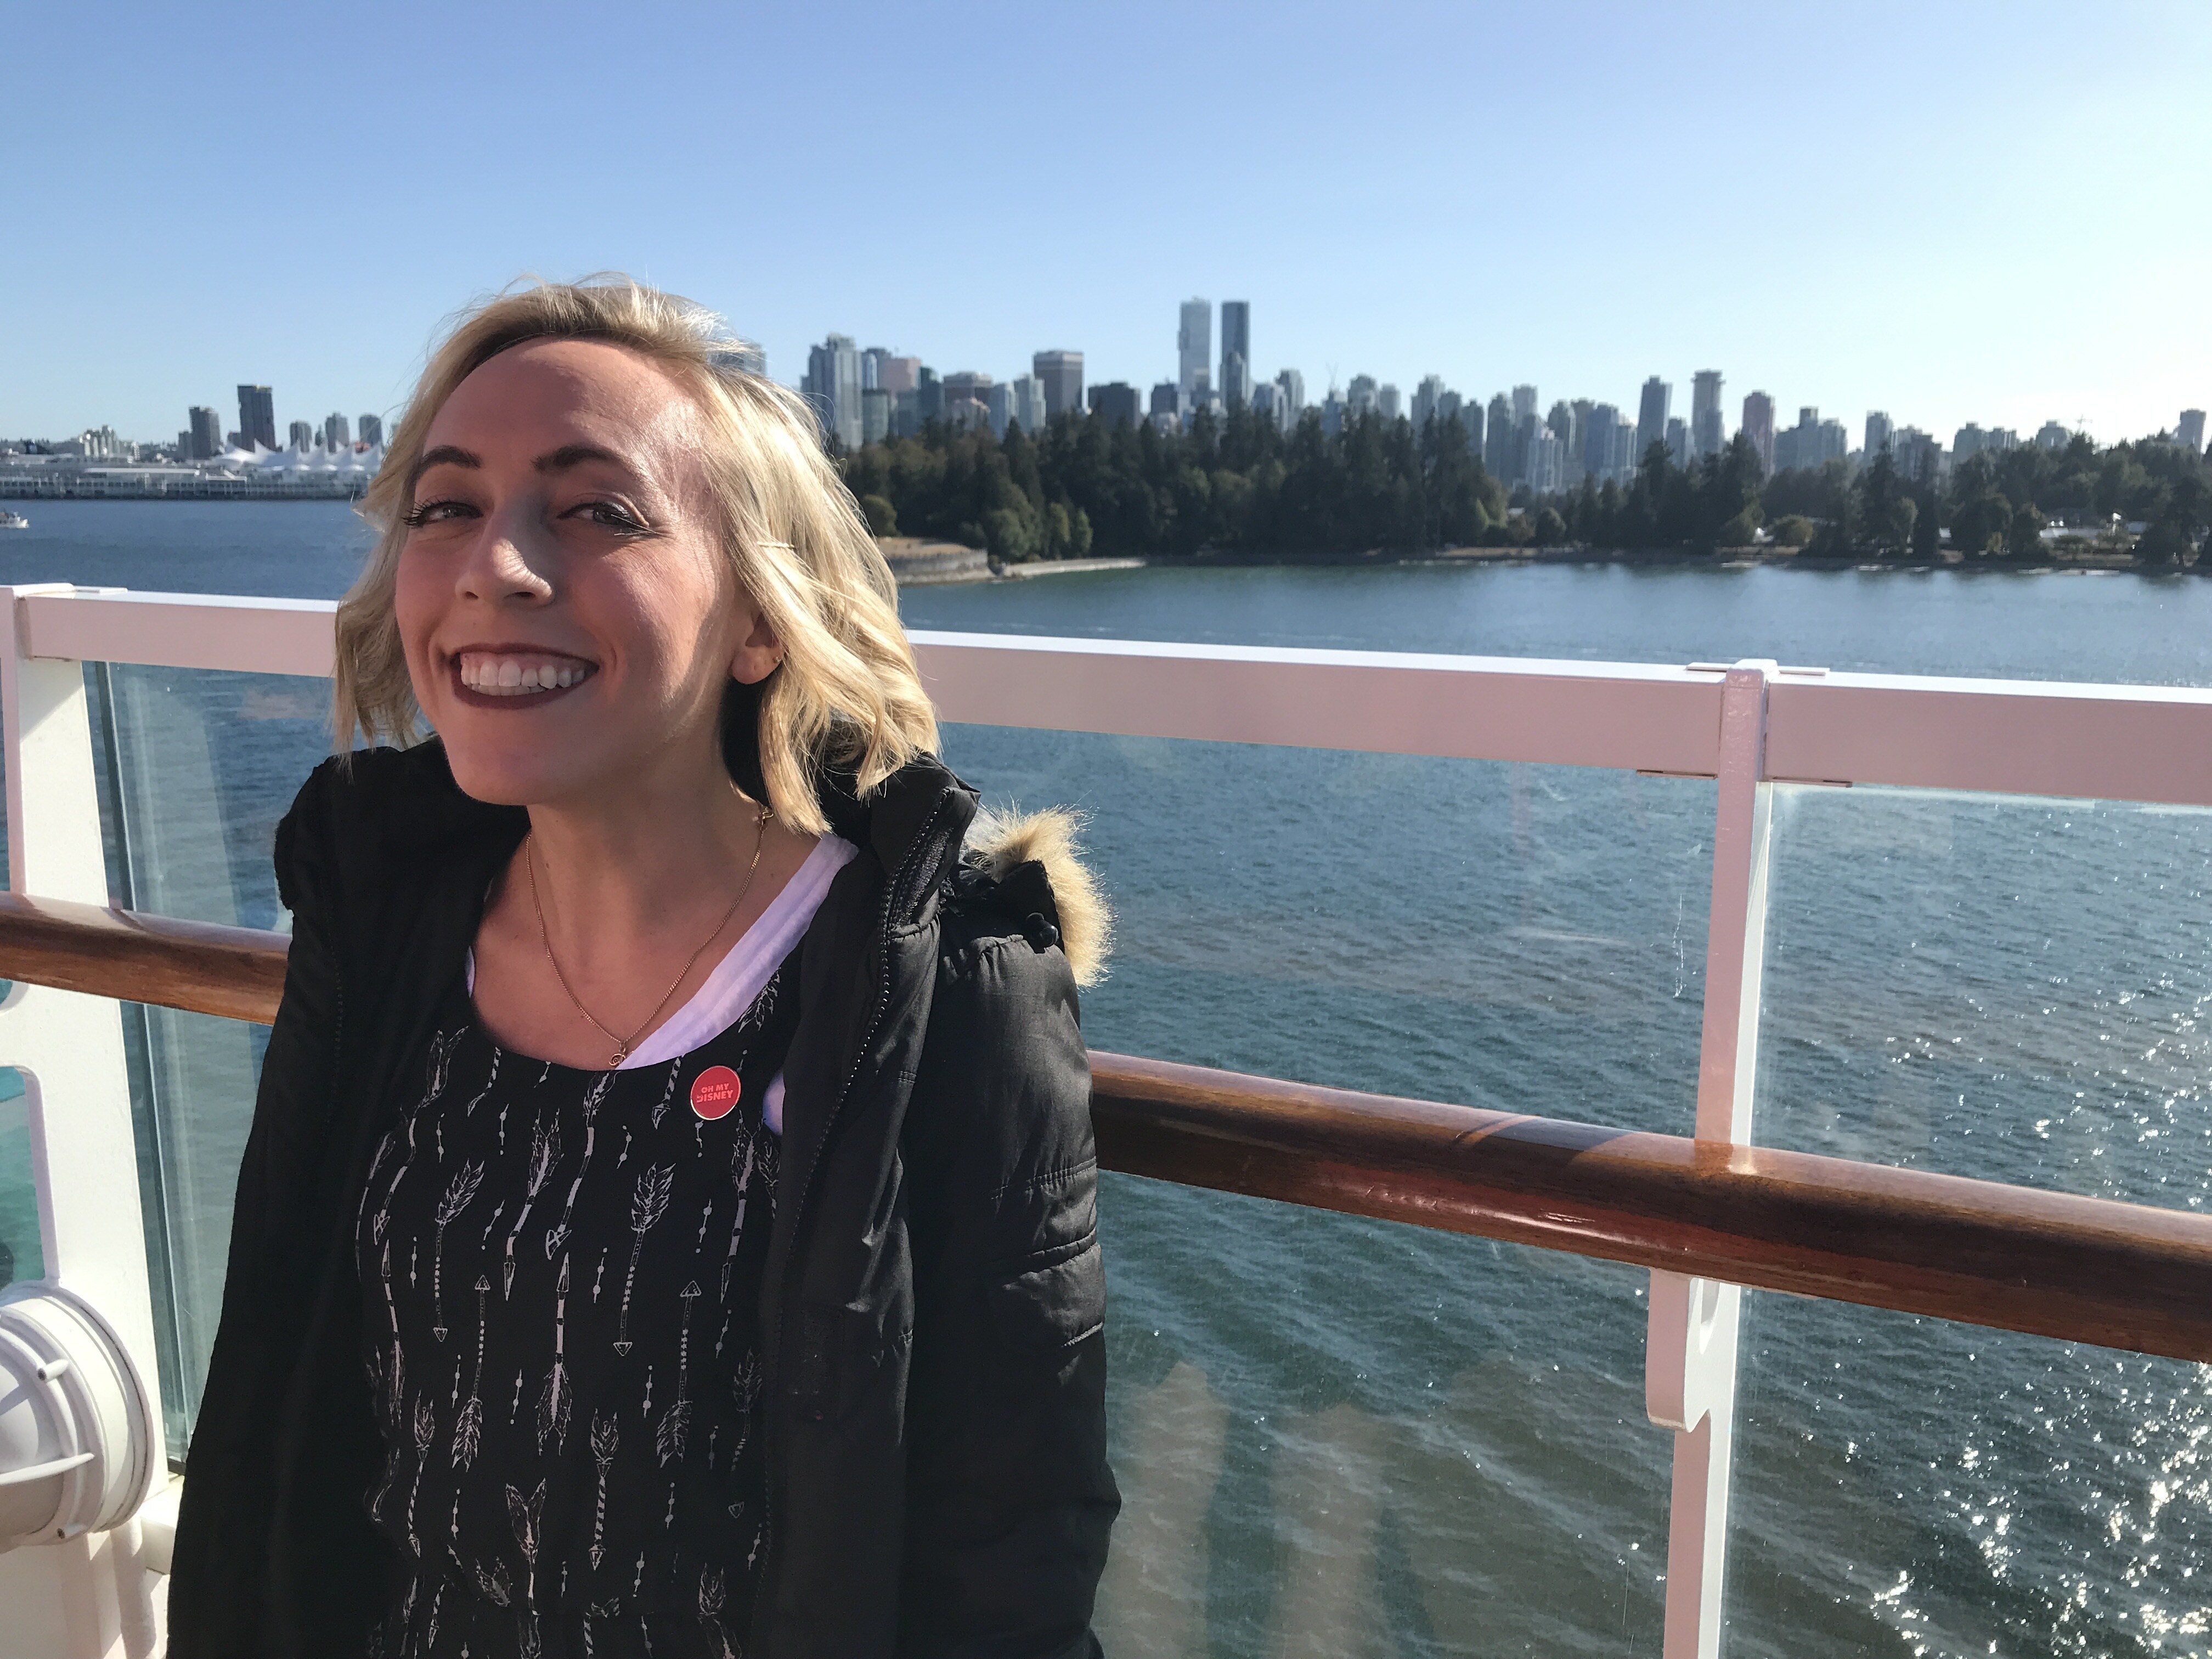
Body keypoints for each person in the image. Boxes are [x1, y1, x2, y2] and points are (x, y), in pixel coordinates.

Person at [167, 278, 1119, 1658]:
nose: (497, 563)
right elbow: (286, 1418)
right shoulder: (383, 925)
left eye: (598, 509)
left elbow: (1010, 1560)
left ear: (758, 620)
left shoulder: (933, 987)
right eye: (447, 507)